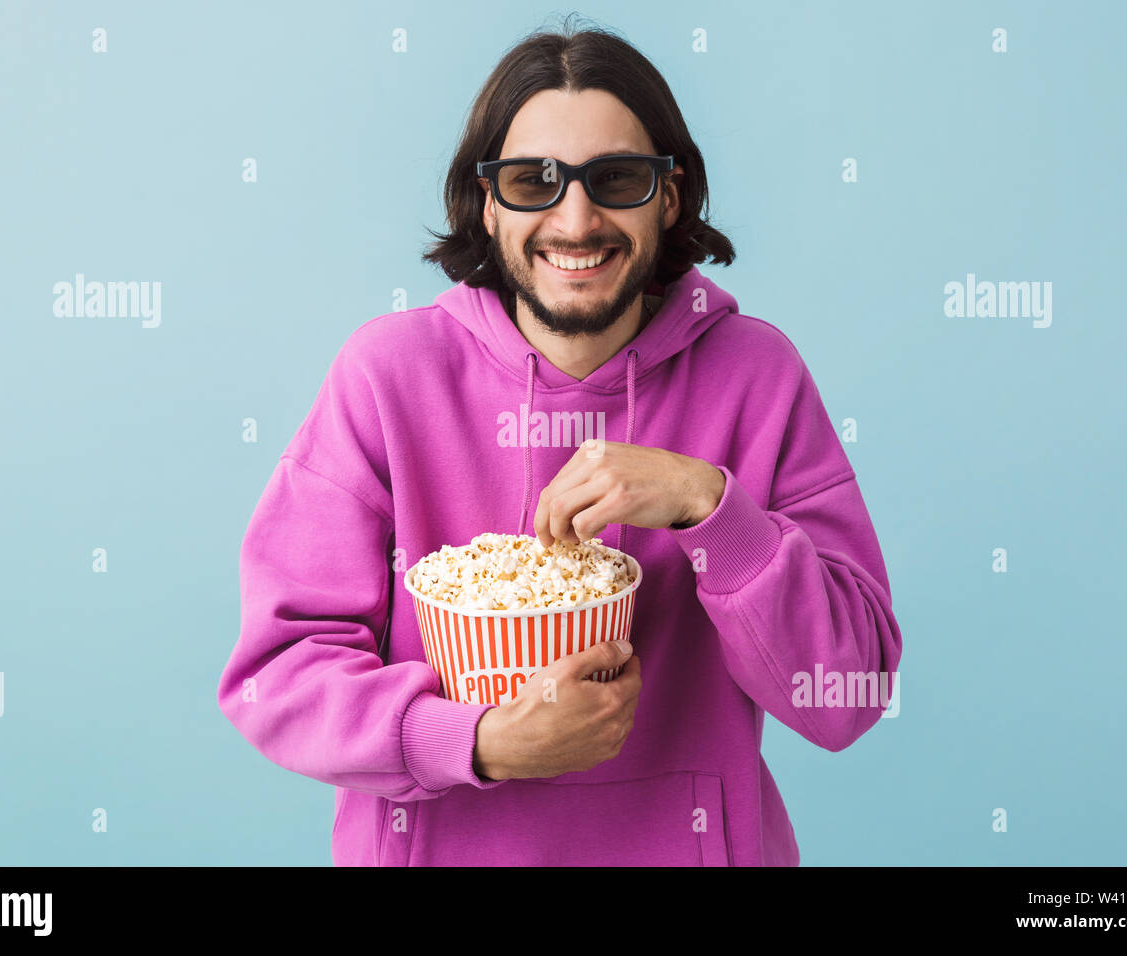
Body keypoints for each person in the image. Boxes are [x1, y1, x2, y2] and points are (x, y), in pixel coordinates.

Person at [216, 21, 902, 866]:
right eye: (532, 181)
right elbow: (278, 676)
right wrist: (477, 742)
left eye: (615, 178)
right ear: (488, 202)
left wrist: (710, 508)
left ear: (671, 195)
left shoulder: (756, 376)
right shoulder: (386, 377)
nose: (575, 220)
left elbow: (850, 695)